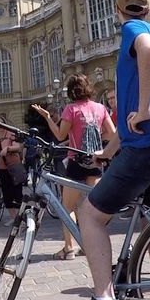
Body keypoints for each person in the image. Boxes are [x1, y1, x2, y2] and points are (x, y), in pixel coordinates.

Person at [60, 0, 150, 300]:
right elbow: (137, 104)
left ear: (119, 11)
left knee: (89, 214)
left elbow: (145, 55)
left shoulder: (135, 31)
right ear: (148, 8)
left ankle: (104, 299)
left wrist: (144, 109)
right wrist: (108, 150)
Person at [33, 73, 115, 260]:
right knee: (93, 207)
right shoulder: (100, 108)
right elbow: (112, 134)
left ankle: (69, 247)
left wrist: (48, 118)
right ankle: (92, 245)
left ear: (71, 91)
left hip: (76, 162)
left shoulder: (71, 109)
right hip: (96, 161)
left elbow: (60, 136)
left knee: (67, 206)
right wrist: (96, 139)